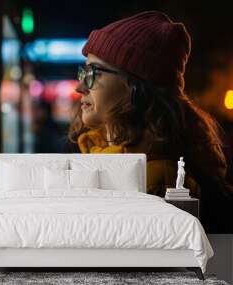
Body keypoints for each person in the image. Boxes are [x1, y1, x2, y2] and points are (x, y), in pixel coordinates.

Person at [68, 11, 233, 232]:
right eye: (83, 72)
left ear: (136, 87)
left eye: (93, 73)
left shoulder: (155, 181)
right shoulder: (109, 153)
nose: (80, 87)